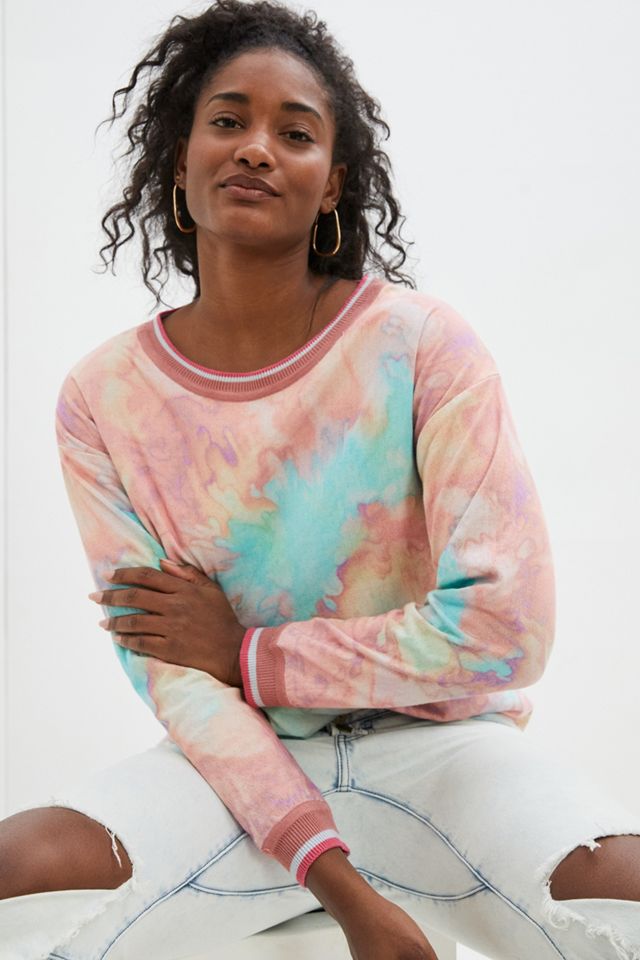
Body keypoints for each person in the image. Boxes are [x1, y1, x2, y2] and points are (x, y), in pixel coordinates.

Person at [1, 2, 639, 958]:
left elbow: (508, 631)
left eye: (294, 134)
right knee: (20, 872)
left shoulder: (422, 346)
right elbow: (178, 675)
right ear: (179, 160)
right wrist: (339, 887)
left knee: (624, 898)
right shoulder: (103, 397)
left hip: (444, 756)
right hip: (240, 777)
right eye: (227, 121)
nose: (256, 148)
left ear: (333, 182)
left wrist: (251, 654)